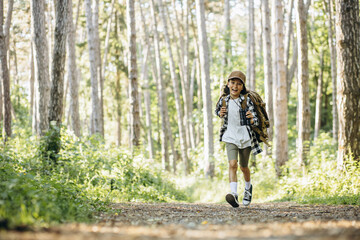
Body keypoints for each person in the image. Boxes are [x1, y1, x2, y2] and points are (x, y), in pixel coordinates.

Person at [215, 70, 262, 208]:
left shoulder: (246, 101)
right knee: (232, 164)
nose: (235, 86)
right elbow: (217, 111)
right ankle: (234, 194)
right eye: (233, 83)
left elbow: (256, 120)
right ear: (228, 84)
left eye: (238, 84)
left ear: (242, 87)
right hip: (230, 136)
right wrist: (220, 113)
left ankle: (248, 189)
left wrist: (252, 119)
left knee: (243, 167)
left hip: (245, 137)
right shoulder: (224, 100)